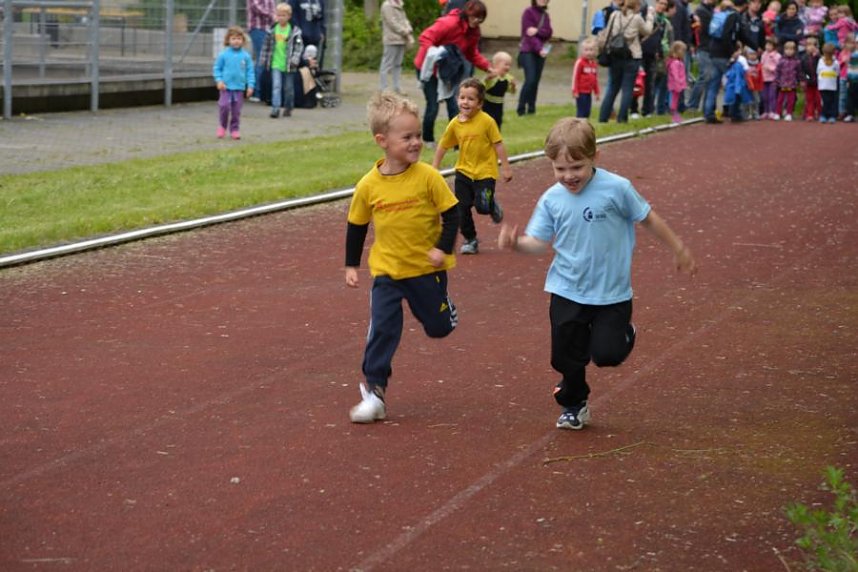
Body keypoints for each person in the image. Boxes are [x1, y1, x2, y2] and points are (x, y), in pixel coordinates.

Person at [497, 118, 696, 431]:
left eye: (576, 167)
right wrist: (517, 245)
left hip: (611, 293)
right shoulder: (552, 199)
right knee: (565, 358)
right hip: (566, 288)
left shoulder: (617, 189)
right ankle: (575, 405)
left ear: (595, 158)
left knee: (606, 354)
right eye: (559, 169)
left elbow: (649, 219)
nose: (568, 176)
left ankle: (624, 334)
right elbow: (538, 243)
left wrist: (678, 247)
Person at [345, 91, 461, 424]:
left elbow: (452, 215)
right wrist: (351, 264)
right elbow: (357, 225)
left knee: (438, 328)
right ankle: (375, 390)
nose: (416, 143)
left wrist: (442, 247)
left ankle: (445, 308)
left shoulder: (428, 177)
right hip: (387, 272)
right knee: (382, 327)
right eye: (407, 137)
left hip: (426, 270)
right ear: (382, 140)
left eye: (419, 136)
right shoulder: (368, 185)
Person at [432, 78, 513, 255]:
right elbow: (443, 145)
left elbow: (498, 144)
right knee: (461, 208)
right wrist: (434, 168)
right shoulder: (455, 124)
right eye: (462, 98)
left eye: (470, 99)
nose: (465, 102)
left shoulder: (487, 122)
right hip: (463, 172)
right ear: (457, 99)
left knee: (482, 207)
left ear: (480, 103)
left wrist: (505, 167)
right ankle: (471, 239)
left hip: (485, 173)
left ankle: (491, 206)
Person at [414, 0, 492, 148]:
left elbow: (472, 54)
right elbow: (425, 37)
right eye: (475, 17)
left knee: (455, 104)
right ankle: (428, 139)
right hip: (429, 69)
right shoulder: (449, 23)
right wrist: (435, 54)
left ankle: (457, 141)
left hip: (449, 71)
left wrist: (488, 67)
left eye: (481, 19)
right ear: (467, 13)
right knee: (433, 104)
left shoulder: (473, 32)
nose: (477, 21)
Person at [597, 0, 656, 123]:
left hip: (615, 55)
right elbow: (647, 31)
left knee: (613, 87)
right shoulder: (637, 18)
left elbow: (608, 32)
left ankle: (603, 117)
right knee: (628, 88)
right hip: (631, 55)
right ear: (637, 6)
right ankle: (622, 118)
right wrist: (650, 17)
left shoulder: (615, 15)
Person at [704, 0, 753, 124]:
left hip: (713, 52)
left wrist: (755, 46)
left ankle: (708, 113)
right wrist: (732, 52)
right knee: (735, 82)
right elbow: (728, 36)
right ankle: (734, 112)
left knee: (713, 85)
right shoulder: (734, 16)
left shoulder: (722, 14)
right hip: (725, 55)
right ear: (744, 6)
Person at [259, 3, 303, 119]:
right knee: (276, 86)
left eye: (283, 15)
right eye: (278, 15)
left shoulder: (294, 31)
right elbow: (266, 46)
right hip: (276, 63)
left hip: (289, 64)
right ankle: (275, 109)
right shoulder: (272, 30)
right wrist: (263, 60)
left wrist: (295, 59)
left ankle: (288, 106)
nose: (281, 18)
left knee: (288, 88)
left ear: (289, 16)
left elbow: (299, 47)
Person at [213, 26, 256, 140]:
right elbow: (217, 68)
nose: (236, 41)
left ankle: (235, 129)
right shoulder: (223, 55)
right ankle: (222, 126)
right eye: (233, 38)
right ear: (228, 40)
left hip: (239, 88)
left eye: (238, 38)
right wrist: (219, 80)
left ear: (243, 40)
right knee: (224, 106)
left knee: (236, 111)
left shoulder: (246, 56)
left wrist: (250, 86)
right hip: (225, 87)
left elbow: (250, 71)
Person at [517, 0, 554, 116]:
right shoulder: (528, 12)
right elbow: (529, 36)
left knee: (535, 81)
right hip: (528, 51)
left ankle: (532, 108)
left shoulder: (545, 15)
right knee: (530, 80)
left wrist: (537, 31)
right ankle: (521, 108)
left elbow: (548, 32)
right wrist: (539, 49)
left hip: (540, 52)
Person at [379, 0, 415, 93]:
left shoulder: (400, 4)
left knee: (398, 64)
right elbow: (392, 22)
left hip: (401, 39)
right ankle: (384, 87)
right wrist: (405, 31)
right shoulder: (387, 5)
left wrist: (409, 28)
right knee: (387, 64)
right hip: (391, 39)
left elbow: (404, 20)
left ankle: (397, 87)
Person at [687, 0, 717, 110]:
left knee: (707, 77)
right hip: (704, 47)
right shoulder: (701, 11)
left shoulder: (710, 10)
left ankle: (706, 106)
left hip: (708, 47)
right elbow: (703, 30)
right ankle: (692, 104)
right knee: (704, 76)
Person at [247, 0, 276, 102]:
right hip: (258, 28)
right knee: (262, 59)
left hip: (270, 29)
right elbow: (256, 7)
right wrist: (273, 16)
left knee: (269, 60)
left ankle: (265, 92)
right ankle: (256, 92)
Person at [483, 51, 517, 130]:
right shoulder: (492, 76)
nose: (508, 67)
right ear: (496, 65)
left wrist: (513, 86)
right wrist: (488, 79)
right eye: (506, 64)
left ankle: (496, 139)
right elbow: (484, 86)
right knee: (487, 122)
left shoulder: (508, 78)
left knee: (498, 122)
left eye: (509, 65)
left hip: (499, 105)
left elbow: (512, 92)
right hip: (487, 104)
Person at [289, 0, 325, 66]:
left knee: (314, 65)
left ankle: (313, 74)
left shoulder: (319, 1)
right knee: (301, 64)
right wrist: (298, 32)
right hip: (301, 38)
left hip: (315, 37)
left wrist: (322, 31)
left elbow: (322, 17)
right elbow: (292, 16)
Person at [572, 37, 601, 119]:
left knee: (587, 111)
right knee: (581, 111)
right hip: (580, 92)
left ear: (595, 51)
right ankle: (579, 125)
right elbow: (575, 77)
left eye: (591, 50)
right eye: (586, 50)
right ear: (582, 51)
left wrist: (597, 92)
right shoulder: (580, 63)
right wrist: (575, 91)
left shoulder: (594, 64)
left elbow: (595, 79)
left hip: (589, 92)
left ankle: (585, 125)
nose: (589, 52)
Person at [774, 39, 802, 119]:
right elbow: (777, 71)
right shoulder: (781, 60)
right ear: (784, 50)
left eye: (791, 49)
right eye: (787, 49)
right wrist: (776, 81)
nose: (789, 51)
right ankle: (778, 113)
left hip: (792, 84)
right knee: (780, 100)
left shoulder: (797, 61)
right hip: (782, 84)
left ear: (794, 50)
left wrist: (800, 81)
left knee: (791, 100)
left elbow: (799, 73)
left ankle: (789, 113)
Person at [817, 41, 840, 123]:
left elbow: (837, 73)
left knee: (832, 101)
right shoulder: (820, 61)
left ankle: (832, 116)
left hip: (832, 86)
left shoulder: (836, 63)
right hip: (823, 86)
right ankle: (823, 115)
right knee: (825, 101)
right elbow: (818, 72)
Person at [667, 40, 688, 122]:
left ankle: (675, 114)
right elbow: (675, 74)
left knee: (676, 99)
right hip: (675, 84)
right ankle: (674, 114)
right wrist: (678, 82)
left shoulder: (678, 62)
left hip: (678, 84)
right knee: (674, 100)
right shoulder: (675, 63)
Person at [801, 36, 821, 120]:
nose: (811, 47)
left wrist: (817, 56)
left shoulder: (819, 58)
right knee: (809, 99)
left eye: (814, 45)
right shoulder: (803, 58)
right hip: (808, 82)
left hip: (818, 82)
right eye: (809, 45)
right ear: (805, 47)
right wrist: (804, 79)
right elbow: (802, 71)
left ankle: (820, 114)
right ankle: (810, 114)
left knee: (818, 99)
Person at [761, 35, 781, 117]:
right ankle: (766, 111)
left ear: (774, 46)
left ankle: (773, 111)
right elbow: (761, 64)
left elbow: (779, 67)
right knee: (764, 96)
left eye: (770, 45)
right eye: (767, 45)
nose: (767, 47)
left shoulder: (777, 56)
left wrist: (770, 68)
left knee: (771, 96)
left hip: (772, 79)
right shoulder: (764, 54)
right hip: (764, 78)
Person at [744, 45, 764, 118]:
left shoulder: (759, 64)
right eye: (750, 54)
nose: (752, 56)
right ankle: (747, 113)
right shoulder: (745, 64)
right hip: (747, 85)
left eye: (754, 54)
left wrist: (761, 85)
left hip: (756, 86)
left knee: (756, 99)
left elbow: (761, 76)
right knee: (748, 100)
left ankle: (756, 113)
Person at [844, 35, 858, 122]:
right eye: (857, 43)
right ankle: (850, 114)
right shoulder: (852, 54)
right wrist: (848, 80)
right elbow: (849, 68)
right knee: (850, 97)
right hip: (852, 80)